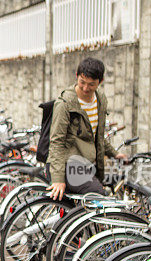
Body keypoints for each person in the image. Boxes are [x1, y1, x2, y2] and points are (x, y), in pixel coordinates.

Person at [47, 57, 128, 201]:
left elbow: (98, 135)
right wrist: (58, 179)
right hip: (66, 165)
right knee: (97, 196)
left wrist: (114, 153)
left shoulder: (100, 99)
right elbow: (56, 142)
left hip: (87, 165)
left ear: (100, 82)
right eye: (82, 82)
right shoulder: (65, 103)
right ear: (76, 76)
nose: (85, 88)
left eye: (91, 84)